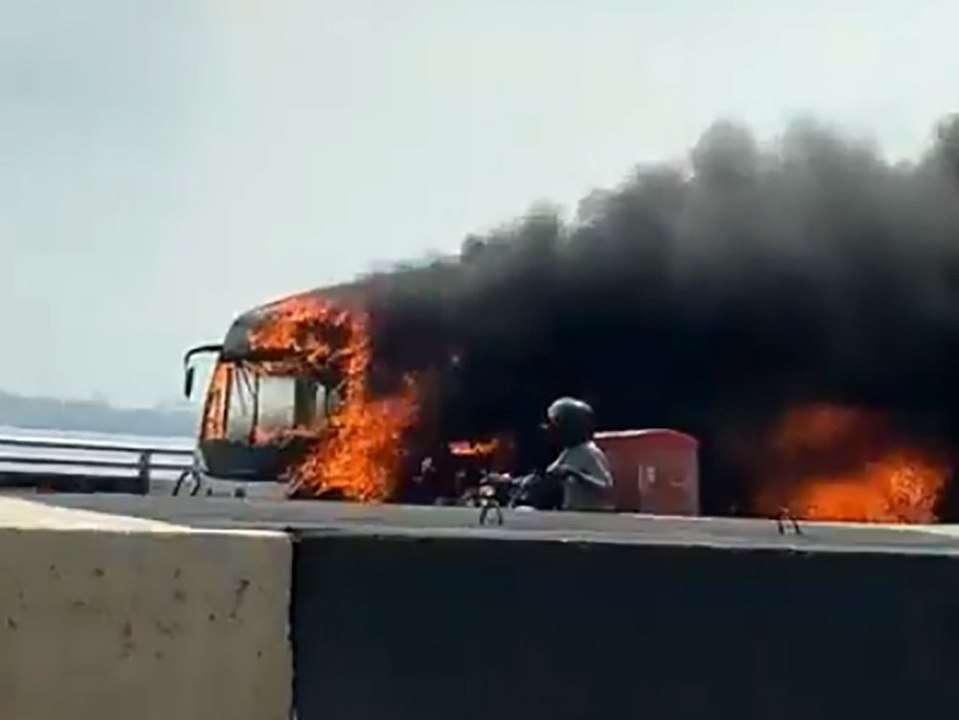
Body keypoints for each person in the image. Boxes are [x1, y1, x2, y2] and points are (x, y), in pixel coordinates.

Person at [544, 397, 615, 511]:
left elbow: (606, 488)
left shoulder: (589, 452)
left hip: (593, 515)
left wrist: (577, 475)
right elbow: (553, 471)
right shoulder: (570, 451)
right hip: (574, 513)